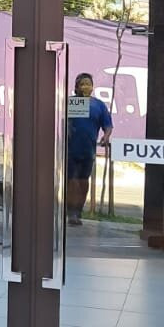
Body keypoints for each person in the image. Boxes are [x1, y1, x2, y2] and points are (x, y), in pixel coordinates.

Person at [67, 73, 112, 225]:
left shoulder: (98, 105)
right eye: (83, 84)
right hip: (70, 150)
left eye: (88, 84)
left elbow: (107, 125)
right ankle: (71, 212)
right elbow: (61, 121)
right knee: (72, 181)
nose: (86, 87)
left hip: (88, 150)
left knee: (83, 181)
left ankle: (78, 211)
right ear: (76, 87)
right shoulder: (71, 103)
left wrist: (106, 136)